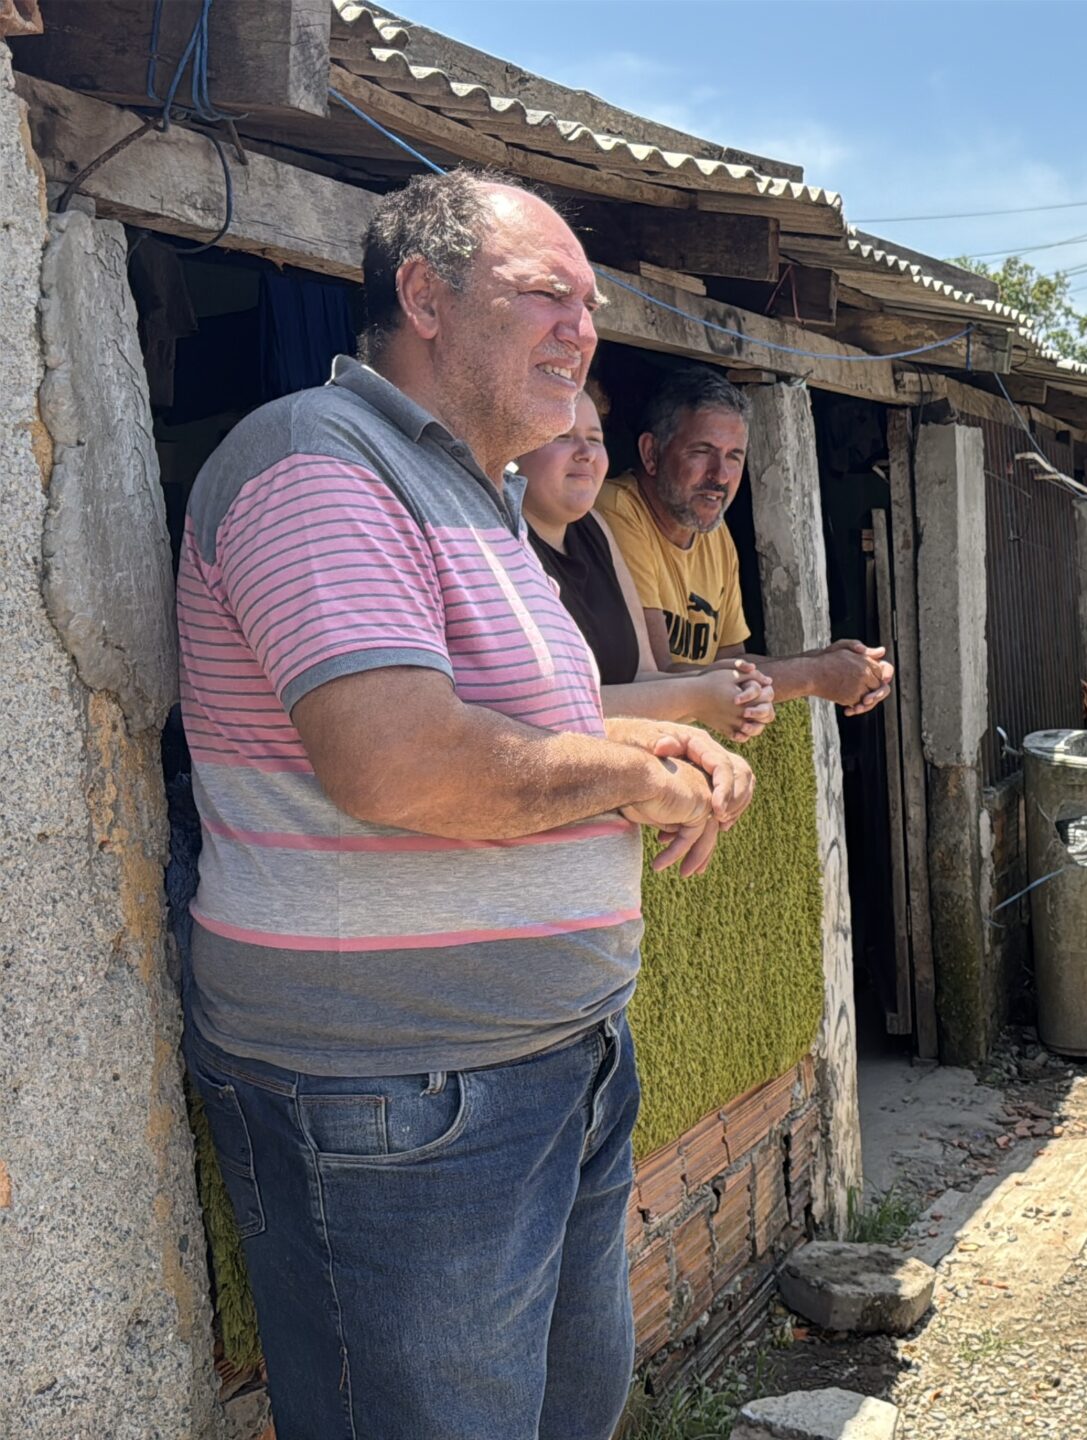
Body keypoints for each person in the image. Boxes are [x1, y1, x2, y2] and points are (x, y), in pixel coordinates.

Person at [174, 169, 754, 1439]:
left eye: (590, 304)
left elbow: (527, 722)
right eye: (548, 293)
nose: (583, 328)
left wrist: (664, 736)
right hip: (400, 1094)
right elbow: (400, 761)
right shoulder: (315, 462)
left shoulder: (481, 497)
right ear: (424, 298)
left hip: (556, 1061)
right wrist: (629, 775)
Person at [591, 367, 894, 716]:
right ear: (651, 454)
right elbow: (660, 679)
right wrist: (814, 675)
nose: (720, 475)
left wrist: (827, 660)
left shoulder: (713, 533)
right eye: (701, 451)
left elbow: (730, 661)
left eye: (734, 456)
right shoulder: (616, 512)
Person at [515, 380, 777, 740]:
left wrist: (736, 682)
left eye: (595, 439)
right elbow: (542, 711)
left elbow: (645, 674)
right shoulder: (498, 541)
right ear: (512, 444)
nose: (587, 453)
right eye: (563, 436)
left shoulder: (597, 530)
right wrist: (698, 694)